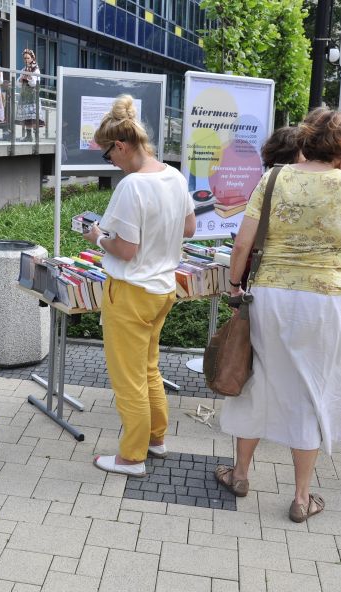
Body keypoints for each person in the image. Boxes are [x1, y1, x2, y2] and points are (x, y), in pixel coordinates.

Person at [218, 107, 341, 522]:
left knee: (258, 379)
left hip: (271, 293)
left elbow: (242, 246)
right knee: (313, 389)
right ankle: (302, 498)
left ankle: (242, 475)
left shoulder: (274, 178)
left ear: (305, 139)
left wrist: (234, 286)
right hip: (324, 300)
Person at [82, 95, 196, 478]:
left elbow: (125, 249)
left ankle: (132, 457)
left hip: (130, 291)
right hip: (163, 288)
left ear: (121, 145)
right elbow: (190, 228)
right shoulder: (175, 176)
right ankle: (156, 438)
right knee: (149, 368)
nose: (109, 161)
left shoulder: (132, 187)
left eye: (107, 154)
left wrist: (97, 236)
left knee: (127, 378)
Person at [16, 49, 44, 142]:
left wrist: (29, 77)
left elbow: (35, 83)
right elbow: (18, 84)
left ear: (32, 58)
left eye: (28, 58)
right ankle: (28, 136)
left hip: (32, 95)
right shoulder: (23, 69)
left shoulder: (36, 69)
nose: (26, 60)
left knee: (33, 116)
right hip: (24, 95)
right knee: (27, 117)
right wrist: (21, 78)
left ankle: (36, 136)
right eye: (25, 58)